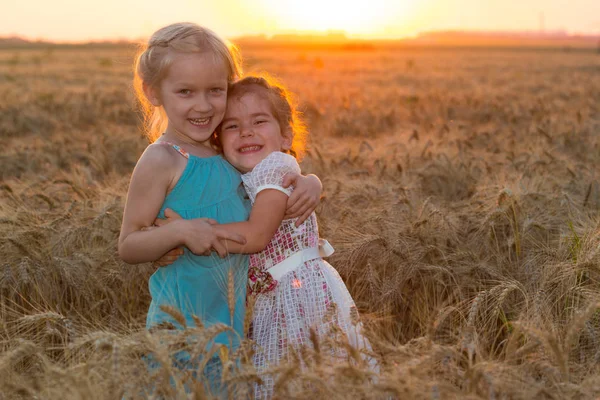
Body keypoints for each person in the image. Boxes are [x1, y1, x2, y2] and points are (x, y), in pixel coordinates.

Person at [117, 22, 322, 394]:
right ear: (153, 92)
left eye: (216, 90)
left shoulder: (224, 149)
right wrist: (178, 232)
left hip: (236, 329)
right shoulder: (162, 159)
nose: (203, 105)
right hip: (184, 331)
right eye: (185, 92)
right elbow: (129, 244)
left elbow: (271, 177)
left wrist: (309, 181)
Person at [157, 75, 374, 399]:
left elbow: (257, 235)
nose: (246, 132)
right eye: (232, 126)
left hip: (294, 294)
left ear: (286, 135)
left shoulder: (275, 169)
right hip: (264, 296)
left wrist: (186, 234)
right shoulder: (240, 175)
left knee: (299, 376)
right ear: (218, 140)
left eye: (259, 121)